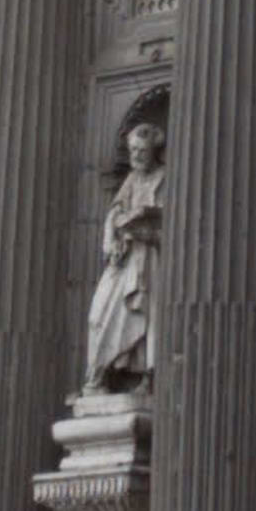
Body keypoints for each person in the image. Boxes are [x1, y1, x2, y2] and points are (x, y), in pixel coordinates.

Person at [83, 116, 165, 388]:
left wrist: (145, 224)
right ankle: (98, 374)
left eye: (142, 150)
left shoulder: (164, 177)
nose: (136, 156)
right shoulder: (131, 179)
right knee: (98, 315)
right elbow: (115, 212)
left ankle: (146, 376)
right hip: (124, 255)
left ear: (154, 151)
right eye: (132, 150)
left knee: (147, 314)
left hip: (150, 256)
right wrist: (113, 236)